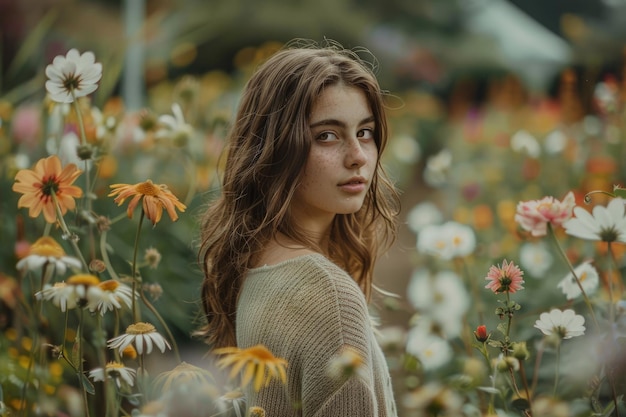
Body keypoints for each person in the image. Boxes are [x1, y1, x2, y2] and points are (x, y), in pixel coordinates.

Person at [197, 39, 401, 417]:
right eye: (327, 135)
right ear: (275, 149)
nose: (357, 156)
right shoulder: (327, 294)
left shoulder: (254, 262)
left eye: (365, 132)